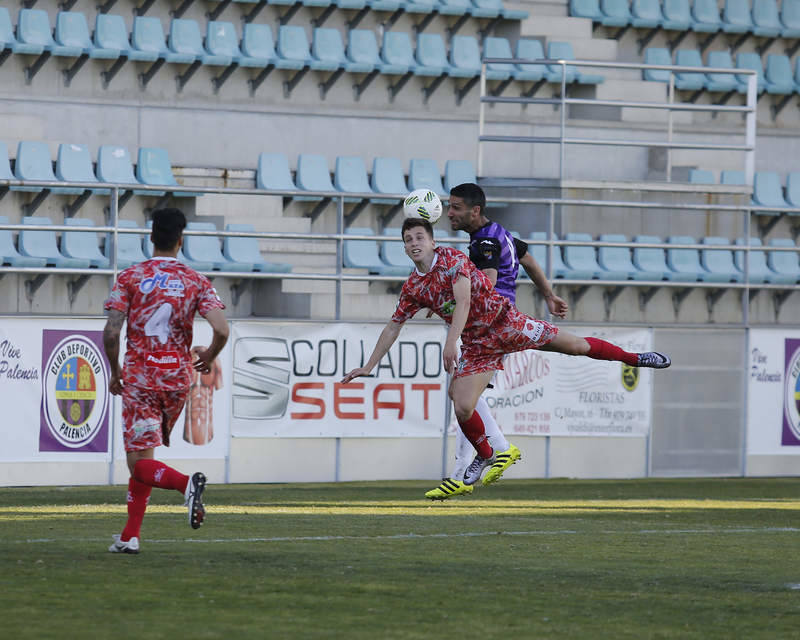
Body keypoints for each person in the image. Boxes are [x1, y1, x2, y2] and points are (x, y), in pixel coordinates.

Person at [340, 218, 670, 492]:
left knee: (578, 347)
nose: (414, 242)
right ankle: (484, 454)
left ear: (431, 241)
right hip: (479, 345)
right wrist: (369, 366)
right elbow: (393, 326)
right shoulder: (414, 286)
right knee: (462, 402)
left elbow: (464, 301)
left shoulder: (451, 259)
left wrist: (450, 341)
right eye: (408, 238)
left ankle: (637, 358)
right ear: (404, 246)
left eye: (419, 237)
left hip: (507, 324)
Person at [425, 182, 570, 500]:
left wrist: (444, 298)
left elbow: (486, 282)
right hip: (496, 323)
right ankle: (465, 470)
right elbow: (528, 259)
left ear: (474, 210)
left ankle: (489, 456)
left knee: (464, 395)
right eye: (448, 206)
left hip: (489, 327)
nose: (449, 212)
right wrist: (548, 295)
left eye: (455, 207)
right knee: (466, 397)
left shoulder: (484, 243)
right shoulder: (499, 235)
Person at [103, 208, 230, 554]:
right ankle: (130, 535)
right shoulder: (195, 280)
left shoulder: (131, 277)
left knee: (137, 463)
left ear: (150, 237)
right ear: (180, 240)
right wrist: (210, 356)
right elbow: (221, 329)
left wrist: (115, 371)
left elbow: (112, 333)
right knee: (146, 456)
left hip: (141, 377)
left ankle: (185, 484)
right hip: (177, 379)